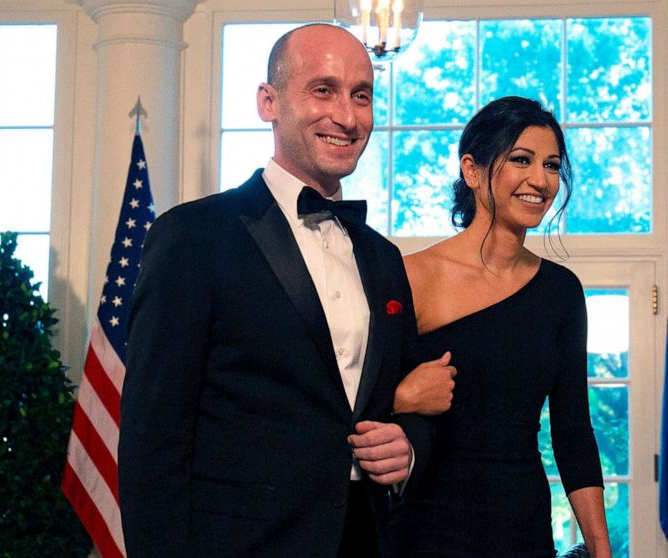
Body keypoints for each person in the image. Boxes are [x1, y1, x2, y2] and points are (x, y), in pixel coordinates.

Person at [118, 23, 453, 558]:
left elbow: (401, 400)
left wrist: (409, 444)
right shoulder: (193, 237)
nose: (346, 116)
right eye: (323, 89)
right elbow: (151, 439)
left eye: (360, 95)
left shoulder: (384, 259)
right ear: (268, 102)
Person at [390, 96, 612, 558]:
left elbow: (573, 432)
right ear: (472, 170)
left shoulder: (561, 292)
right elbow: (350, 402)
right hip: (424, 529)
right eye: (521, 160)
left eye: (552, 165)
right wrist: (399, 398)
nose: (541, 180)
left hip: (521, 527)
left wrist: (600, 549)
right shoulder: (410, 276)